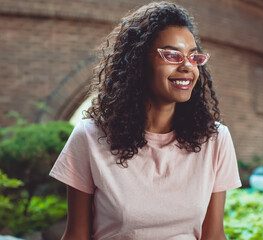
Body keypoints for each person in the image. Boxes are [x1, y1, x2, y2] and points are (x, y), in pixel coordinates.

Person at [49, 1, 241, 239]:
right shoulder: (89, 137)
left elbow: (213, 236)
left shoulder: (215, 139)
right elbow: (76, 235)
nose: (186, 67)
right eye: (172, 55)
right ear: (138, 62)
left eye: (193, 57)